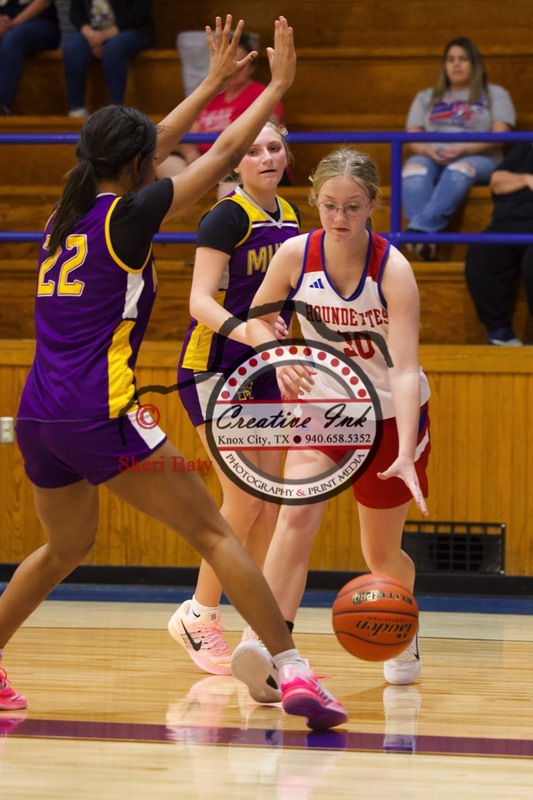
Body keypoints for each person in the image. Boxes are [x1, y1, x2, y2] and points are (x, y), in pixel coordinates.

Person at [0, 16, 347, 732]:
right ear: (135, 167)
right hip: (101, 414)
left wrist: (215, 81)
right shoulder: (127, 220)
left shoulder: (65, 215)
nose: (159, 160)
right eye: (149, 155)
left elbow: (142, 143)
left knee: (66, 547)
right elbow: (221, 150)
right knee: (219, 533)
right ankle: (294, 671)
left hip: (40, 415)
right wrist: (273, 85)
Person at [232, 147, 431, 700]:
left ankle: (402, 626)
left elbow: (409, 366)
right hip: (324, 408)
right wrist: (282, 354)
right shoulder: (296, 254)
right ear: (314, 200)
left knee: (381, 556)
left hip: (391, 415)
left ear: (372, 206)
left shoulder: (393, 269)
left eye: (352, 206)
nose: (339, 218)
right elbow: (254, 320)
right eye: (328, 205)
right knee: (296, 518)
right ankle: (267, 644)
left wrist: (408, 451)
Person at [167, 120, 300, 679]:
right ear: (235, 164)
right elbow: (200, 302)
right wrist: (255, 334)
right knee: (244, 502)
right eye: (253, 149)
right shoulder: (226, 216)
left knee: (269, 504)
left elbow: (283, 297)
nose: (266, 156)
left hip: (266, 367)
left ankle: (260, 633)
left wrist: (291, 338)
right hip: (215, 368)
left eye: (274, 146)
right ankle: (197, 615)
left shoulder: (290, 215)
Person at [402, 37, 516, 261]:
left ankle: (420, 233)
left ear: (474, 64)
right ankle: (425, 241)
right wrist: (426, 151)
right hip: (433, 154)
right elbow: (412, 134)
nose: (456, 64)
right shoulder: (427, 97)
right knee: (412, 170)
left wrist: (464, 148)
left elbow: (501, 133)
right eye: (451, 59)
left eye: (463, 59)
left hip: (480, 157)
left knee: (459, 170)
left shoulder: (495, 94)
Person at [158, 32, 287, 197]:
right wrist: (190, 152)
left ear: (251, 67)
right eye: (230, 62)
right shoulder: (212, 97)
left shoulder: (261, 93)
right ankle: (188, 212)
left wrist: (229, 159)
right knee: (161, 163)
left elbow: (270, 131)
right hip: (207, 164)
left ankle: (216, 217)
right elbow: (189, 134)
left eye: (242, 61)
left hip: (240, 162)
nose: (235, 67)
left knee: (230, 179)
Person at [465, 141, 533, 346]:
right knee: (482, 254)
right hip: (506, 223)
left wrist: (517, 182)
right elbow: (497, 181)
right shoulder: (527, 147)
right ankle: (500, 332)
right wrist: (527, 179)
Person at [62, 0, 156, 118]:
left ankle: (115, 110)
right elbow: (76, 13)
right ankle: (77, 109)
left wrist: (103, 36)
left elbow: (139, 14)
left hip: (131, 30)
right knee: (73, 48)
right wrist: (91, 35)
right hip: (92, 33)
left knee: (114, 48)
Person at [0, 0, 60, 115]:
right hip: (4, 25)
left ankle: (2, 105)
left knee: (12, 40)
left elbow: (43, 2)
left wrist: (12, 24)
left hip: (39, 23)